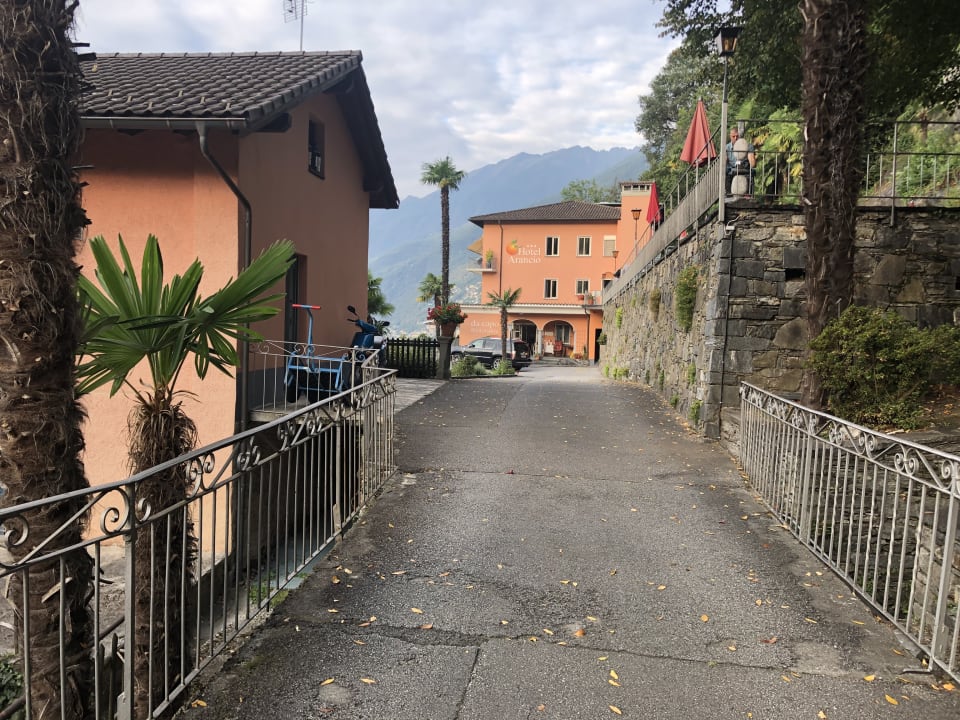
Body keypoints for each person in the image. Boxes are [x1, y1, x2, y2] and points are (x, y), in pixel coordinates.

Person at [725, 127, 756, 195]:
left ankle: (748, 194)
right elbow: (723, 162)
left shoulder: (748, 146)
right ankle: (728, 194)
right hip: (732, 171)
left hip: (744, 170)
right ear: (730, 136)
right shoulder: (727, 148)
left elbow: (753, 164)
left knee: (751, 172)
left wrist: (748, 154)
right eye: (733, 136)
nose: (736, 138)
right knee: (725, 172)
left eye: (737, 136)